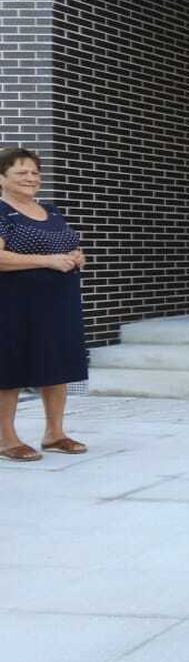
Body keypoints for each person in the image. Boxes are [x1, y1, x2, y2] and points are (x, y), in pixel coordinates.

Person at [0, 147, 89, 463]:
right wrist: (47, 260)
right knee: (9, 369)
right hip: (13, 305)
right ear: (2, 178)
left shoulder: (50, 211)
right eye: (21, 172)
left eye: (35, 172)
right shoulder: (2, 212)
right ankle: (6, 439)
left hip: (56, 304)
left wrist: (77, 257)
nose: (30, 178)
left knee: (57, 365)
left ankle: (55, 434)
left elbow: (68, 245)